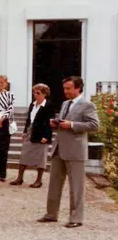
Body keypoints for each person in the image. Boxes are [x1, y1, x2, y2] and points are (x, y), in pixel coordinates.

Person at [38, 76, 100, 228]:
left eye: (68, 88)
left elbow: (94, 125)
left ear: (78, 88)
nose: (65, 91)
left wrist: (72, 125)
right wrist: (56, 123)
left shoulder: (87, 105)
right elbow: (63, 123)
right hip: (59, 148)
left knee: (76, 187)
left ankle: (76, 218)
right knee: (54, 184)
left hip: (75, 150)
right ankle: (51, 214)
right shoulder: (65, 103)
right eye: (64, 88)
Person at [10, 83, 53, 188]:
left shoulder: (48, 106)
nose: (35, 95)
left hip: (42, 132)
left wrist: (46, 136)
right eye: (34, 92)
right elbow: (28, 119)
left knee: (41, 157)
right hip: (31, 131)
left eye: (38, 93)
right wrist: (25, 131)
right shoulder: (32, 104)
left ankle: (39, 180)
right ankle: (20, 178)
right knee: (24, 154)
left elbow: (50, 123)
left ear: (44, 94)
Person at [0, 75, 15, 182]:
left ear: (6, 83)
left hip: (4, 122)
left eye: (1, 82)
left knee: (3, 148)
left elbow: (10, 108)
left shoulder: (9, 95)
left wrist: (1, 119)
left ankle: (2, 173)